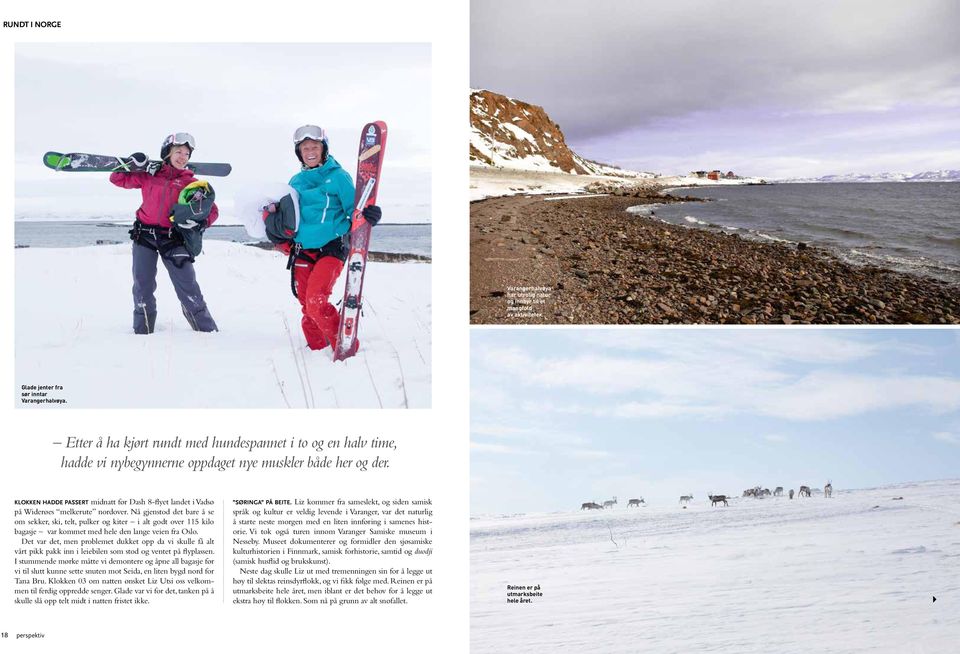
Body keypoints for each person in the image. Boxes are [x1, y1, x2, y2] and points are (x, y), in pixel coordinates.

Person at [270, 125, 381, 355]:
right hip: (302, 249)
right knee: (306, 306)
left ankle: (345, 348)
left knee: (316, 301)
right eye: (305, 148)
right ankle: (317, 351)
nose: (310, 151)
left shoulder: (338, 177)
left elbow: (356, 210)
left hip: (332, 247)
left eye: (315, 146)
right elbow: (289, 214)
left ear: (324, 149)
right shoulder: (295, 181)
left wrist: (370, 215)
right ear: (299, 152)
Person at [109, 133, 219, 334]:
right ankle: (143, 332)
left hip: (174, 239)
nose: (183, 157)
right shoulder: (149, 175)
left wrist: (199, 224)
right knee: (142, 286)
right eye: (178, 151)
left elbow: (212, 211)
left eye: (186, 153)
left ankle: (207, 332)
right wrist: (132, 164)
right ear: (167, 153)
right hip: (145, 236)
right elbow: (117, 179)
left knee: (188, 286)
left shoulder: (191, 183)